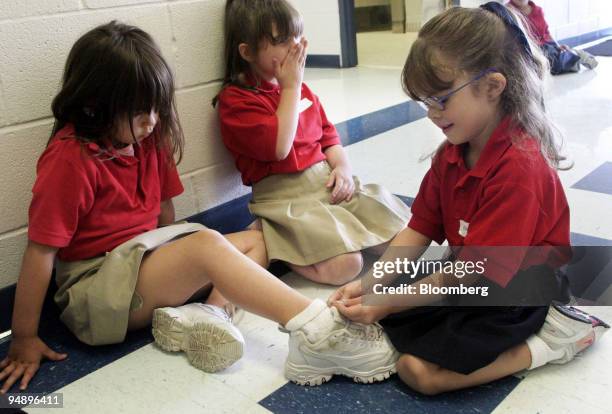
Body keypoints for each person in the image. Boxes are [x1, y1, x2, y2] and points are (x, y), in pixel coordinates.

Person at [0, 21, 398, 394]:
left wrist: (175, 268)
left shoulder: (147, 141)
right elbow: (40, 252)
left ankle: (205, 316)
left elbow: (164, 216)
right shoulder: (70, 160)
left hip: (141, 264)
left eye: (156, 108)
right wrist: (23, 338)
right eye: (139, 113)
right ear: (93, 107)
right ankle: (316, 328)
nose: (152, 121)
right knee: (207, 245)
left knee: (260, 238)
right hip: (96, 290)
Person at [328, 3, 609, 395]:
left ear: (493, 87)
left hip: (520, 291)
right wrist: (372, 283)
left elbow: (470, 276)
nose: (431, 114)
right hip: (472, 275)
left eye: (441, 99)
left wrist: (388, 301)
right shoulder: (451, 153)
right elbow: (419, 228)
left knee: (420, 374)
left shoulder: (519, 170)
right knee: (391, 319)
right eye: (424, 102)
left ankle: (555, 338)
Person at [215, 0, 412, 286]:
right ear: (247, 52)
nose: (296, 47)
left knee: (400, 235)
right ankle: (278, 242)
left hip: (325, 184)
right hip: (285, 200)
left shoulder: (302, 89)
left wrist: (342, 169)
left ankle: (343, 234)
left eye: (297, 36)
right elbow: (279, 148)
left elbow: (329, 136)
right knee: (347, 265)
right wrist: (291, 87)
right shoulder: (236, 100)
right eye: (282, 41)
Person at [508, 0, 598, 74]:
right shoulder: (508, 10)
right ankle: (570, 59)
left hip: (543, 46)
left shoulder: (538, 10)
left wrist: (557, 45)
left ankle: (575, 56)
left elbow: (546, 32)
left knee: (552, 63)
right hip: (527, 49)